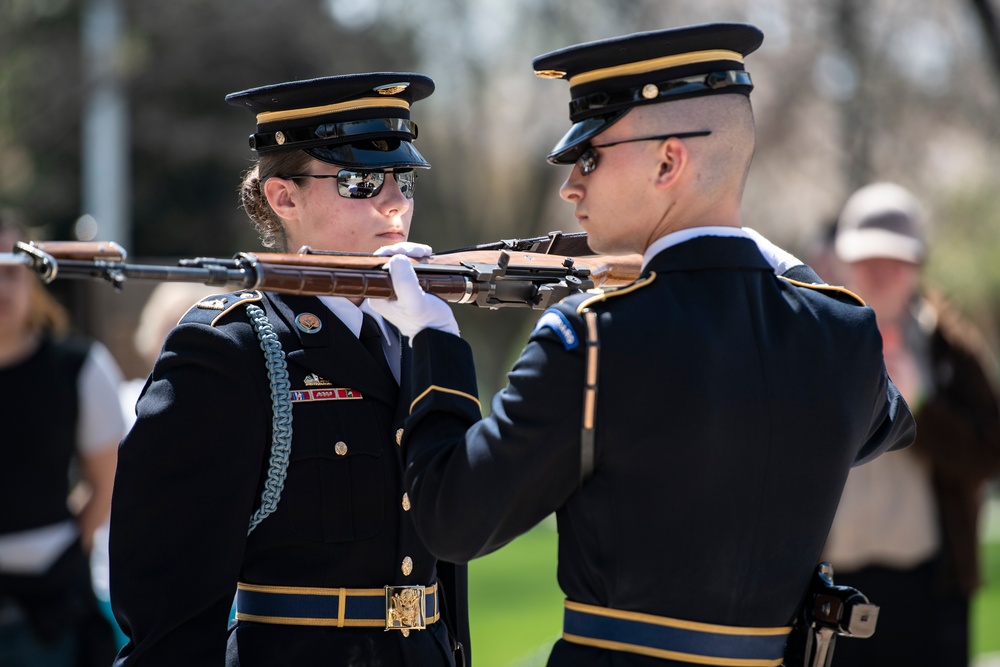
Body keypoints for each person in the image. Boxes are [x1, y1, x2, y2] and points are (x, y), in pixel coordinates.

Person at [369, 23, 917, 667]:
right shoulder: (845, 335)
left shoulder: (593, 337)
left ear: (668, 161)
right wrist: (775, 263)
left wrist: (431, 339)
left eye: (591, 157)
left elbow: (456, 519)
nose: (572, 185)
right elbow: (890, 424)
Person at [108, 73, 469, 666]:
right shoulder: (231, 348)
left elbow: (457, 527)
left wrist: (438, 340)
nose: (396, 201)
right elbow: (168, 615)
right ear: (284, 198)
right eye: (361, 181)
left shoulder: (414, 330)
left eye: (403, 179)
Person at [822, 182, 1000, 667]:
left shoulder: (948, 347)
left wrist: (919, 402)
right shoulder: (813, 340)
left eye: (894, 262)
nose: (879, 275)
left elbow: (989, 453)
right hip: (831, 587)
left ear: (918, 266)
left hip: (929, 586)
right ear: (839, 262)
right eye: (866, 260)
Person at [0, 212, 124, 667]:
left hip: (47, 614)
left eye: (11, 271)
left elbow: (105, 480)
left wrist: (67, 552)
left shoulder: (81, 366)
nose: (1, 288)